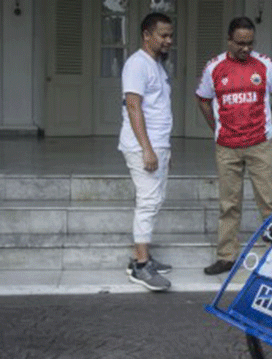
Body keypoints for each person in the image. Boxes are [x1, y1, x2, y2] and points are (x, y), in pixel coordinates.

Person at [196, 16, 272, 275]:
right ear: (229, 41)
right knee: (229, 204)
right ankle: (226, 256)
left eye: (249, 43)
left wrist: (270, 124)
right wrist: (217, 127)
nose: (245, 48)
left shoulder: (265, 65)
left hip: (260, 144)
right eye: (240, 43)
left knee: (268, 200)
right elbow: (202, 99)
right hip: (227, 146)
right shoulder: (214, 67)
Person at [119, 12, 174, 291]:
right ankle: (141, 266)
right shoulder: (137, 64)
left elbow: (157, 109)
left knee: (155, 199)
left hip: (157, 145)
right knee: (149, 201)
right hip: (143, 146)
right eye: (163, 35)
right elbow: (133, 106)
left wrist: (163, 149)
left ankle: (142, 256)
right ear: (146, 35)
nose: (168, 40)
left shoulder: (156, 65)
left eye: (170, 35)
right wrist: (148, 150)